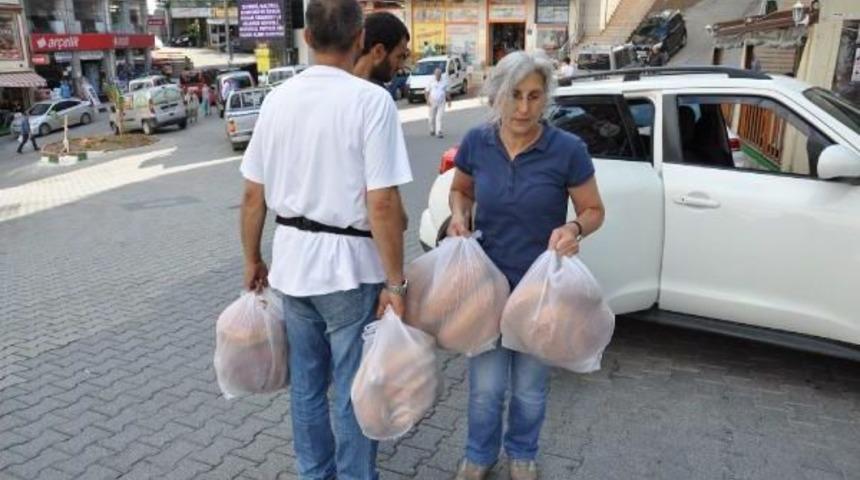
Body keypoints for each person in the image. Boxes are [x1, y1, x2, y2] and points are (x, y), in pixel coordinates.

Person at [239, 0, 412, 478]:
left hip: (293, 267)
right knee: (357, 385)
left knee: (308, 388)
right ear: (360, 38)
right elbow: (382, 204)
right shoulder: (371, 102)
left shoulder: (276, 99)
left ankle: (315, 474)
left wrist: (252, 258)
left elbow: (253, 196)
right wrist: (395, 285)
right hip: (350, 270)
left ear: (308, 38)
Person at [447, 51, 606, 480]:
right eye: (514, 95)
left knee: (530, 389)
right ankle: (479, 457)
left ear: (546, 99)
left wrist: (573, 228)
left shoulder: (567, 150)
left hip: (539, 292)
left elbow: (593, 210)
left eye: (535, 96)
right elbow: (461, 190)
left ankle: (522, 454)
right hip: (486, 286)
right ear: (497, 93)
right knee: (485, 388)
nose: (523, 108)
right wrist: (460, 216)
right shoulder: (478, 142)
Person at [353, 11, 410, 88]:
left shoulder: (334, 87)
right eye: (399, 57)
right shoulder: (378, 97)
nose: (401, 66)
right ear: (378, 52)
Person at [426, 68, 451, 138]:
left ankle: (439, 131)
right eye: (437, 75)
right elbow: (427, 91)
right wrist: (427, 100)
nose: (438, 76)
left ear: (441, 75)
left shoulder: (444, 81)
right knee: (431, 118)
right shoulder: (431, 81)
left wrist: (449, 101)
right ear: (435, 74)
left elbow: (447, 91)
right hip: (432, 101)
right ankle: (432, 129)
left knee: (439, 117)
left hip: (441, 102)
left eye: (439, 75)